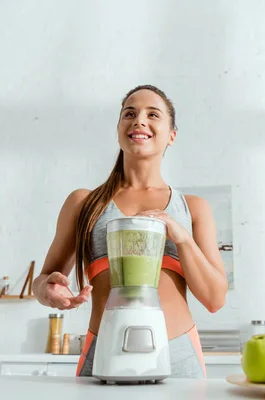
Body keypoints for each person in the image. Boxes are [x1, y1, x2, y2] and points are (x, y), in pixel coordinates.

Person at [32, 84, 228, 379]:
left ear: (171, 135)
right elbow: (43, 281)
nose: (139, 120)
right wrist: (49, 289)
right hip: (104, 355)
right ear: (119, 128)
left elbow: (215, 298)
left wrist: (181, 237)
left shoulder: (193, 209)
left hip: (178, 357)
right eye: (130, 113)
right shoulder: (83, 203)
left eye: (153, 114)